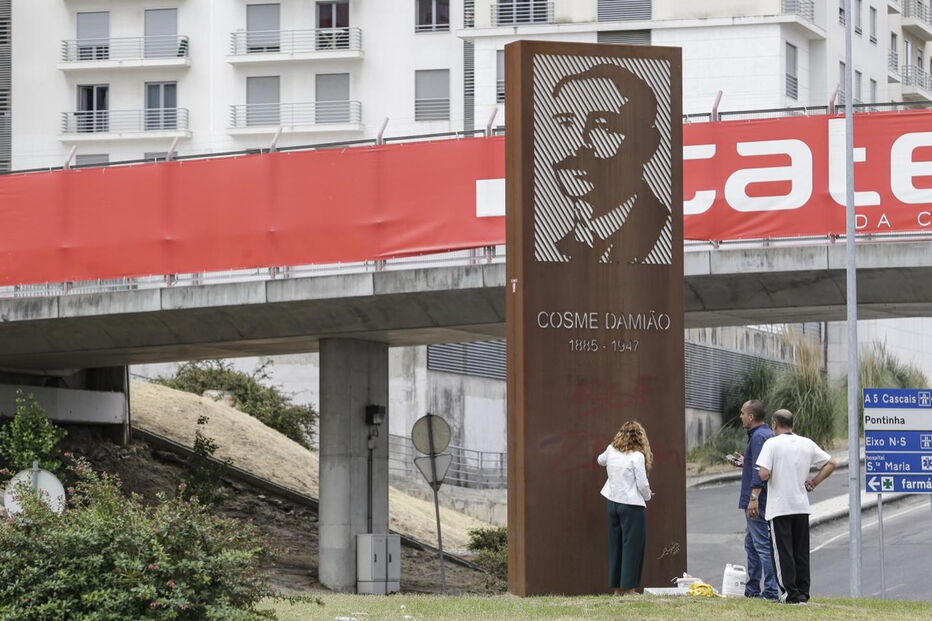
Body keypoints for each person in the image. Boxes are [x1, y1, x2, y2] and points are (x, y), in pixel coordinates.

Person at [545, 63, 670, 264]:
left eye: (603, 125)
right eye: (565, 123)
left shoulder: (661, 235)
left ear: (646, 144)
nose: (578, 144)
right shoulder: (556, 246)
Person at [756, 409, 837, 605]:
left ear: (774, 424)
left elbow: (763, 474)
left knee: (783, 553)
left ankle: (789, 594)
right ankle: (802, 593)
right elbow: (831, 463)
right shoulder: (806, 443)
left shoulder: (771, 444)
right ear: (793, 424)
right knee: (800, 552)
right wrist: (814, 482)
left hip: (779, 507)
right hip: (801, 506)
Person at [597, 420, 653, 595]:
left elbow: (600, 461)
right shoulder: (637, 456)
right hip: (632, 505)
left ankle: (617, 590)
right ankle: (629, 589)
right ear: (640, 437)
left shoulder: (611, 450)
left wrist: (612, 454)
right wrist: (648, 496)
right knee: (632, 547)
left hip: (612, 503)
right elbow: (642, 484)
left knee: (616, 546)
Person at [731, 400, 779, 600]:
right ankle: (752, 589)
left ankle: (770, 591)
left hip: (758, 499)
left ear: (751, 417)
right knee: (751, 544)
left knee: (761, 545)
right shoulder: (764, 435)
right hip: (762, 497)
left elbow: (760, 471)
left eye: (743, 413)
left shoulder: (759, 437)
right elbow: (760, 464)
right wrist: (746, 462)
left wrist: (753, 499)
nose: (741, 416)